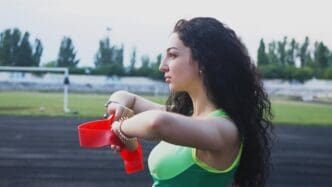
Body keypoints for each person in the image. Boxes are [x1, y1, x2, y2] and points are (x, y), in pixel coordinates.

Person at [106, 17, 273, 187]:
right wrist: (117, 106)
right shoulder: (188, 116)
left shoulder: (225, 129)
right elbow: (128, 98)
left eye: (172, 55)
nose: (162, 66)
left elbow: (157, 123)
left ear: (203, 61)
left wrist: (121, 128)